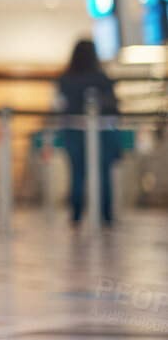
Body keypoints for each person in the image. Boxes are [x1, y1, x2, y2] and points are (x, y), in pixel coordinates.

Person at [54, 38, 122, 227]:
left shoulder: (65, 79)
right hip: (103, 130)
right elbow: (115, 107)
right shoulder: (103, 78)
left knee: (77, 173)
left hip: (73, 129)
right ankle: (106, 217)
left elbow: (57, 106)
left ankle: (76, 217)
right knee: (104, 174)